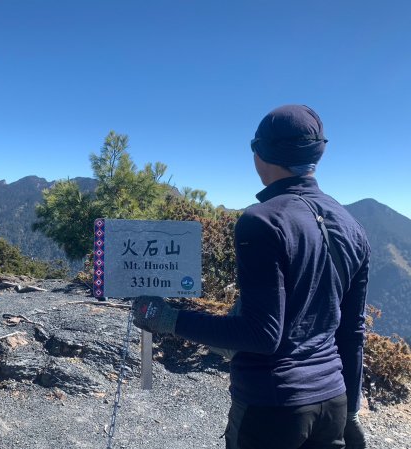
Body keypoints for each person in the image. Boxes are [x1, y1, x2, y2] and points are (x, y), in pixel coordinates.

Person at [132, 104, 370, 449]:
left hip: (272, 405)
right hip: (333, 400)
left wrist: (167, 318)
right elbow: (352, 329)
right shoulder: (353, 226)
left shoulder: (262, 221)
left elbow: (262, 335)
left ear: (260, 154)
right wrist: (351, 413)